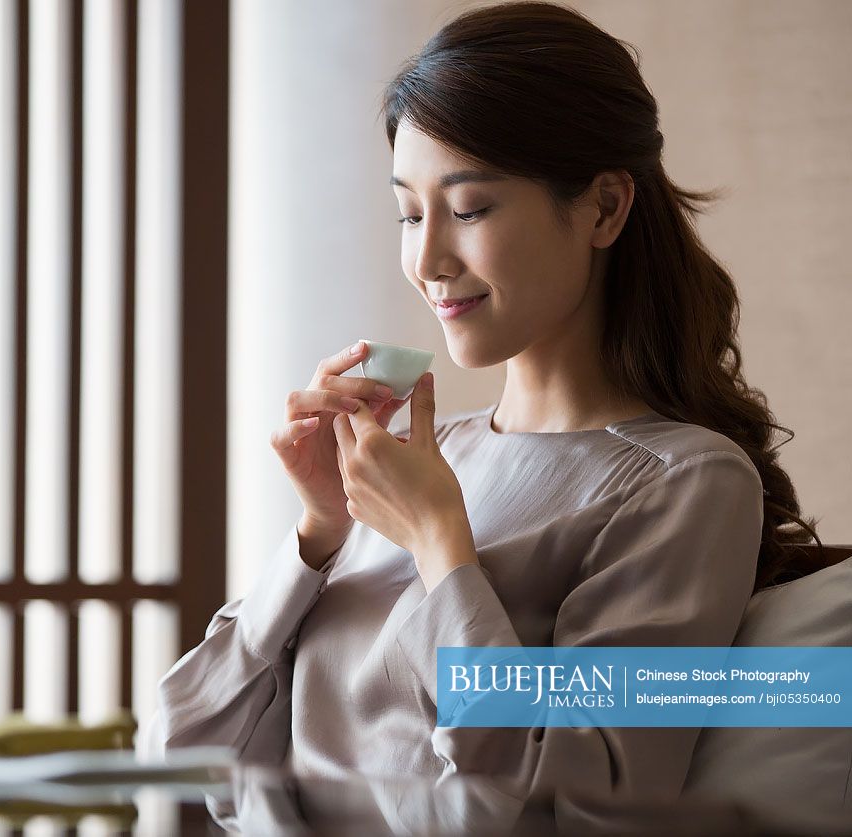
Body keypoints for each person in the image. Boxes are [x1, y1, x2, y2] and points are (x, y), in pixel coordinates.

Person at [136, 0, 825, 802]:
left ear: (604, 207)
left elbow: (570, 806)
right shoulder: (417, 466)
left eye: (467, 210)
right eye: (408, 212)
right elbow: (178, 753)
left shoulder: (685, 484)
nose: (427, 258)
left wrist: (442, 550)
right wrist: (319, 534)